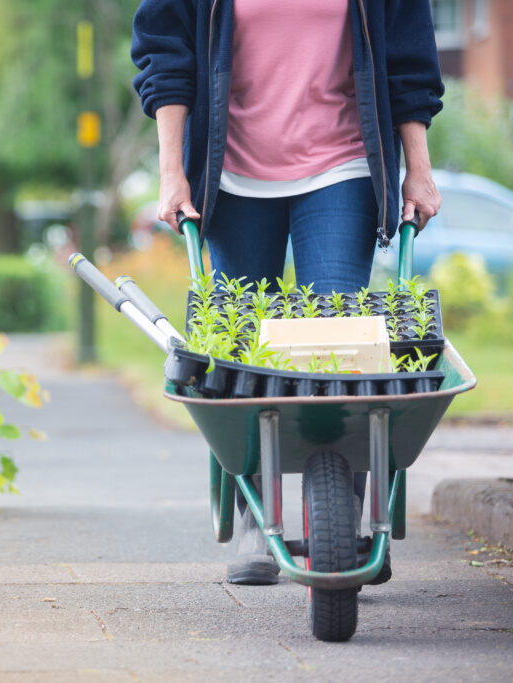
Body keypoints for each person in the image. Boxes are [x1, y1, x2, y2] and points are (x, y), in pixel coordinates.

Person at [131, 0, 445, 585]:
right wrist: (172, 171)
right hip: (231, 174)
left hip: (342, 167)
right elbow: (165, 52)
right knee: (243, 350)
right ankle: (256, 510)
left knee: (340, 347)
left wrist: (418, 168)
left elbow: (407, 59)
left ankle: (346, 509)